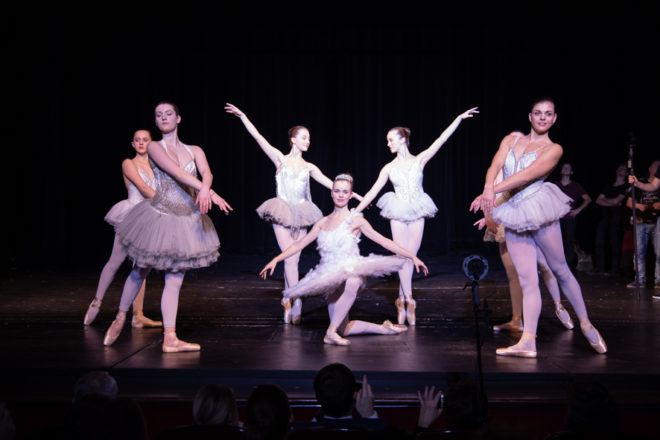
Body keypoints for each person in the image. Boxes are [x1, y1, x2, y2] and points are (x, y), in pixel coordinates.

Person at [470, 97, 606, 357]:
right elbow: (495, 166)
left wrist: (492, 191)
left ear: (554, 119)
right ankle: (528, 342)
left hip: (538, 206)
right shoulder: (511, 140)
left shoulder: (553, 149)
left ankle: (586, 323)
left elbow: (526, 175)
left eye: (548, 113)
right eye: (538, 112)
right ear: (530, 116)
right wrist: (488, 188)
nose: (543, 117)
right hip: (514, 211)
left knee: (560, 269)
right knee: (527, 279)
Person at [103, 101, 232, 352]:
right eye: (159, 115)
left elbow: (206, 173)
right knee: (140, 270)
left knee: (175, 279)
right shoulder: (154, 147)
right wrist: (210, 193)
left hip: (185, 219)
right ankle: (120, 316)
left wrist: (208, 189)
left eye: (168, 113)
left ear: (178, 118)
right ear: (156, 121)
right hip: (159, 216)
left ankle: (170, 338)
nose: (163, 117)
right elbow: (176, 173)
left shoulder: (195, 150)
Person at [226, 103, 361, 326]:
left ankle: (290, 298)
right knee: (289, 257)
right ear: (293, 140)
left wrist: (354, 195)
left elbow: (332, 184)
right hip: (281, 211)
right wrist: (243, 116)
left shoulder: (309, 167)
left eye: (309, 138)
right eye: (304, 137)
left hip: (303, 212)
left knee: (295, 258)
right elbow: (259, 138)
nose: (308, 141)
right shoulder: (280, 159)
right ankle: (295, 299)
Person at [260, 173, 429, 346]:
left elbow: (384, 241)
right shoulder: (322, 222)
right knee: (343, 328)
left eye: (345, 192)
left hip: (351, 268)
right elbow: (298, 245)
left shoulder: (356, 221)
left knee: (353, 281)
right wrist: (276, 259)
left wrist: (412, 256)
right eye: (337, 191)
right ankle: (383, 328)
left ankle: (330, 333)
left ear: (350, 195)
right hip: (330, 275)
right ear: (332, 193)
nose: (340, 195)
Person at [354, 107, 479, 326]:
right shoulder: (388, 168)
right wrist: (355, 211)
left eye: (391, 140)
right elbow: (373, 192)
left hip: (418, 209)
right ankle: (408, 300)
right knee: (403, 256)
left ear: (402, 140)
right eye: (387, 140)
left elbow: (441, 140)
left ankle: (402, 299)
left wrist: (458, 119)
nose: (388, 144)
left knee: (411, 256)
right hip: (397, 211)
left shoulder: (419, 160)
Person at [84, 129, 162, 329]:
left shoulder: (156, 166)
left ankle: (137, 315)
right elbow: (143, 188)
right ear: (133, 144)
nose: (141, 143)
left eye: (145, 140)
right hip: (131, 214)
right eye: (137, 140)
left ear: (151, 143)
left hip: (149, 216)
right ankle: (97, 302)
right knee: (115, 260)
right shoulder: (128, 163)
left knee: (141, 266)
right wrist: (167, 202)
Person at [478, 217, 574, 332]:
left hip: (520, 219)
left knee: (543, 265)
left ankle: (559, 306)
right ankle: (516, 320)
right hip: (503, 221)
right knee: (513, 275)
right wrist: (488, 218)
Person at [292, 363, 388, 432]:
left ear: (318, 397)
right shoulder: (378, 431)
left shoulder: (296, 433)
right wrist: (369, 416)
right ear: (355, 396)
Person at [625, 160, 660, 288]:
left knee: (659, 252)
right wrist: (637, 183)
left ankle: (659, 281)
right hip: (642, 221)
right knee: (639, 252)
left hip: (656, 221)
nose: (657, 169)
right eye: (655, 167)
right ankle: (639, 279)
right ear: (650, 169)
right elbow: (652, 186)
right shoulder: (645, 182)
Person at [555, 163, 592, 269]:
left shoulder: (575, 186)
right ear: (561, 171)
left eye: (568, 168)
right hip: (556, 218)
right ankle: (556, 267)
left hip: (569, 218)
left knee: (568, 243)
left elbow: (588, 199)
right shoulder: (555, 185)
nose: (565, 169)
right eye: (564, 167)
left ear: (571, 172)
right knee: (557, 243)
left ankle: (567, 268)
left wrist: (578, 210)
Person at [594, 163, 628, 275]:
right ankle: (601, 269)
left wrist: (607, 201)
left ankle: (614, 270)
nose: (620, 170)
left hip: (617, 218)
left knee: (614, 243)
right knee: (599, 242)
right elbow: (598, 200)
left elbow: (616, 201)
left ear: (626, 173)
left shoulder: (625, 187)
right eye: (619, 168)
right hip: (605, 217)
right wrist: (613, 202)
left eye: (623, 169)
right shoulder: (608, 186)